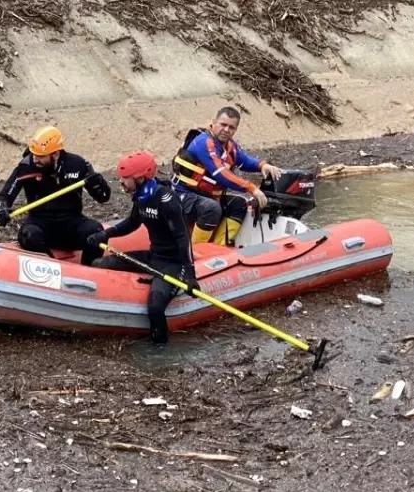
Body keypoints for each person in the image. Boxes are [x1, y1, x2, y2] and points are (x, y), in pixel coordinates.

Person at [87, 151, 196, 346]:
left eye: (125, 179)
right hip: (153, 256)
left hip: (172, 263)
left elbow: (183, 238)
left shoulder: (166, 200)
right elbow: (132, 223)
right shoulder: (141, 196)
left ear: (140, 178)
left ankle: (159, 351)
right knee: (100, 264)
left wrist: (189, 274)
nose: (121, 183)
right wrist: (106, 234)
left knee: (155, 307)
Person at [0, 125, 111, 265]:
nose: (35, 159)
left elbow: (103, 197)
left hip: (71, 222)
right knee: (29, 234)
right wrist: (1, 210)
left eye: (41, 156)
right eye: (33, 154)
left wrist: (97, 183)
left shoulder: (77, 164)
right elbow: (3, 197)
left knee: (96, 231)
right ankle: (52, 268)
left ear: (55, 154)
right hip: (40, 222)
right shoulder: (26, 167)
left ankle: (89, 271)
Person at [171, 106, 284, 246]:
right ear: (213, 123)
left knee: (238, 204)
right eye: (223, 125)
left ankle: (220, 247)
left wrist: (262, 165)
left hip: (206, 196)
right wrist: (251, 188)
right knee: (212, 208)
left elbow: (244, 161)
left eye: (231, 127)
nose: (226, 130)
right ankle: (196, 253)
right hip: (184, 195)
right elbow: (221, 173)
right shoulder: (203, 142)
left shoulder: (230, 146)